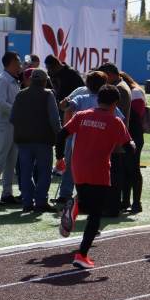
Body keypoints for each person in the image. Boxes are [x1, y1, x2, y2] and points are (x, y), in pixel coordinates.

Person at [59, 85, 134, 269]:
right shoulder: (115, 121)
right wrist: (131, 149)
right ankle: (81, 254)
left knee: (87, 202)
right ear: (115, 103)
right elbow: (129, 146)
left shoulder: (82, 116)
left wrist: (59, 158)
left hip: (78, 168)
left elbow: (61, 134)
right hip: (99, 170)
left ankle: (73, 206)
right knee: (95, 214)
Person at [57, 71, 122, 203]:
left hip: (78, 140)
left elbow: (67, 106)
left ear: (87, 84)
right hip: (100, 142)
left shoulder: (82, 97)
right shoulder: (107, 101)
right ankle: (88, 198)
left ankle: (66, 194)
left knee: (72, 167)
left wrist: (64, 104)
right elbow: (120, 118)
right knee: (97, 170)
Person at [10, 68, 61, 212]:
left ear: (31, 80)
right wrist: (60, 135)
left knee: (25, 172)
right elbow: (54, 119)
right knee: (44, 172)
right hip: (43, 140)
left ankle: (27, 202)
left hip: (23, 140)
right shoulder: (48, 95)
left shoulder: (21, 95)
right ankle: (40, 201)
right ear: (45, 81)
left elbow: (12, 118)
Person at [0, 51, 23, 205]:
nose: (20, 65)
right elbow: (0, 103)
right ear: (11, 63)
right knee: (0, 159)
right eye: (18, 62)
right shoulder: (2, 80)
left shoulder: (11, 80)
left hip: (12, 124)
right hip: (4, 124)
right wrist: (18, 111)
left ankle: (7, 193)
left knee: (11, 161)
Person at [97, 63, 131, 216]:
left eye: (104, 77)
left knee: (114, 176)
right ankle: (111, 205)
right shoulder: (121, 86)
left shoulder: (120, 89)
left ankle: (112, 207)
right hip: (117, 139)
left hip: (115, 141)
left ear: (109, 74)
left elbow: (117, 116)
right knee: (114, 175)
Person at [45, 55, 85, 175]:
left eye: (50, 68)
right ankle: (60, 164)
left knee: (66, 139)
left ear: (57, 65)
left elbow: (81, 91)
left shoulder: (72, 74)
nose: (49, 72)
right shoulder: (52, 73)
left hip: (70, 111)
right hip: (57, 109)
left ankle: (64, 166)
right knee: (58, 138)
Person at [119, 71, 146, 213]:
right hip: (129, 134)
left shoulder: (135, 93)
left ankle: (136, 202)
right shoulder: (133, 91)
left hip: (134, 135)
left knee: (133, 169)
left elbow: (134, 116)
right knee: (125, 169)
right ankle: (125, 201)